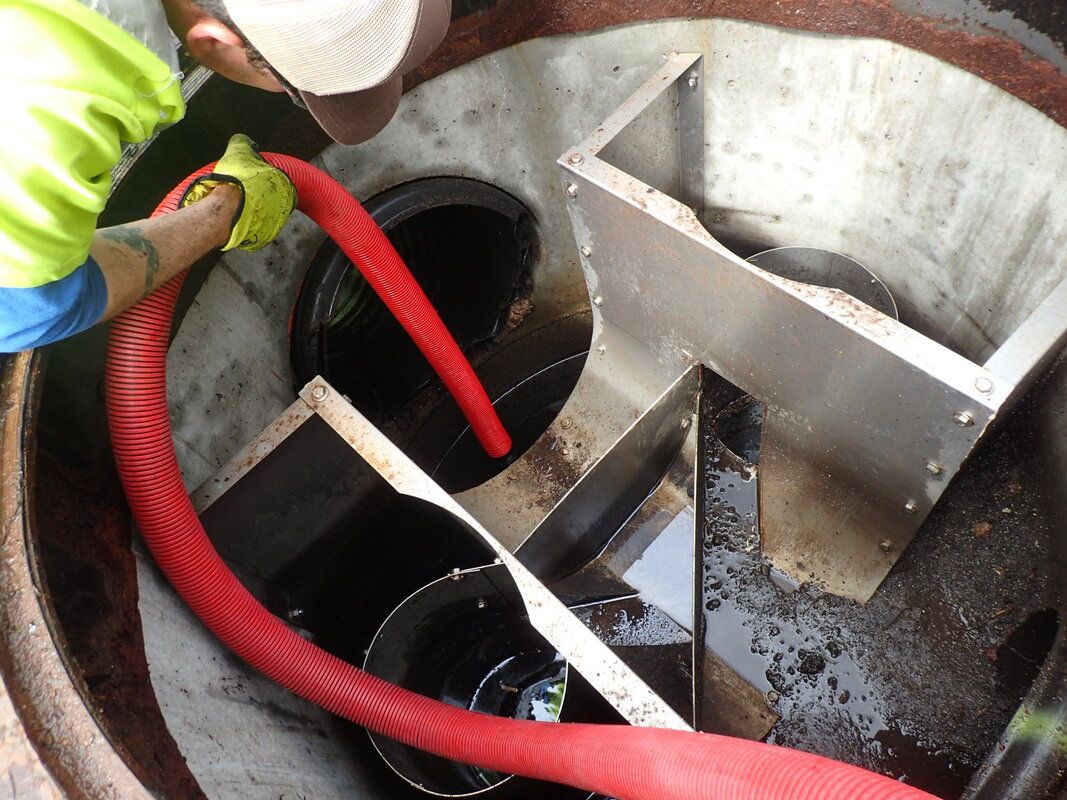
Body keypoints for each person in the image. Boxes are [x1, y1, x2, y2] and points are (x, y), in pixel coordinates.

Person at [0, 0, 451, 352]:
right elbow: (26, 308)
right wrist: (220, 213)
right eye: (295, 87)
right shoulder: (53, 102)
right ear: (212, 40)